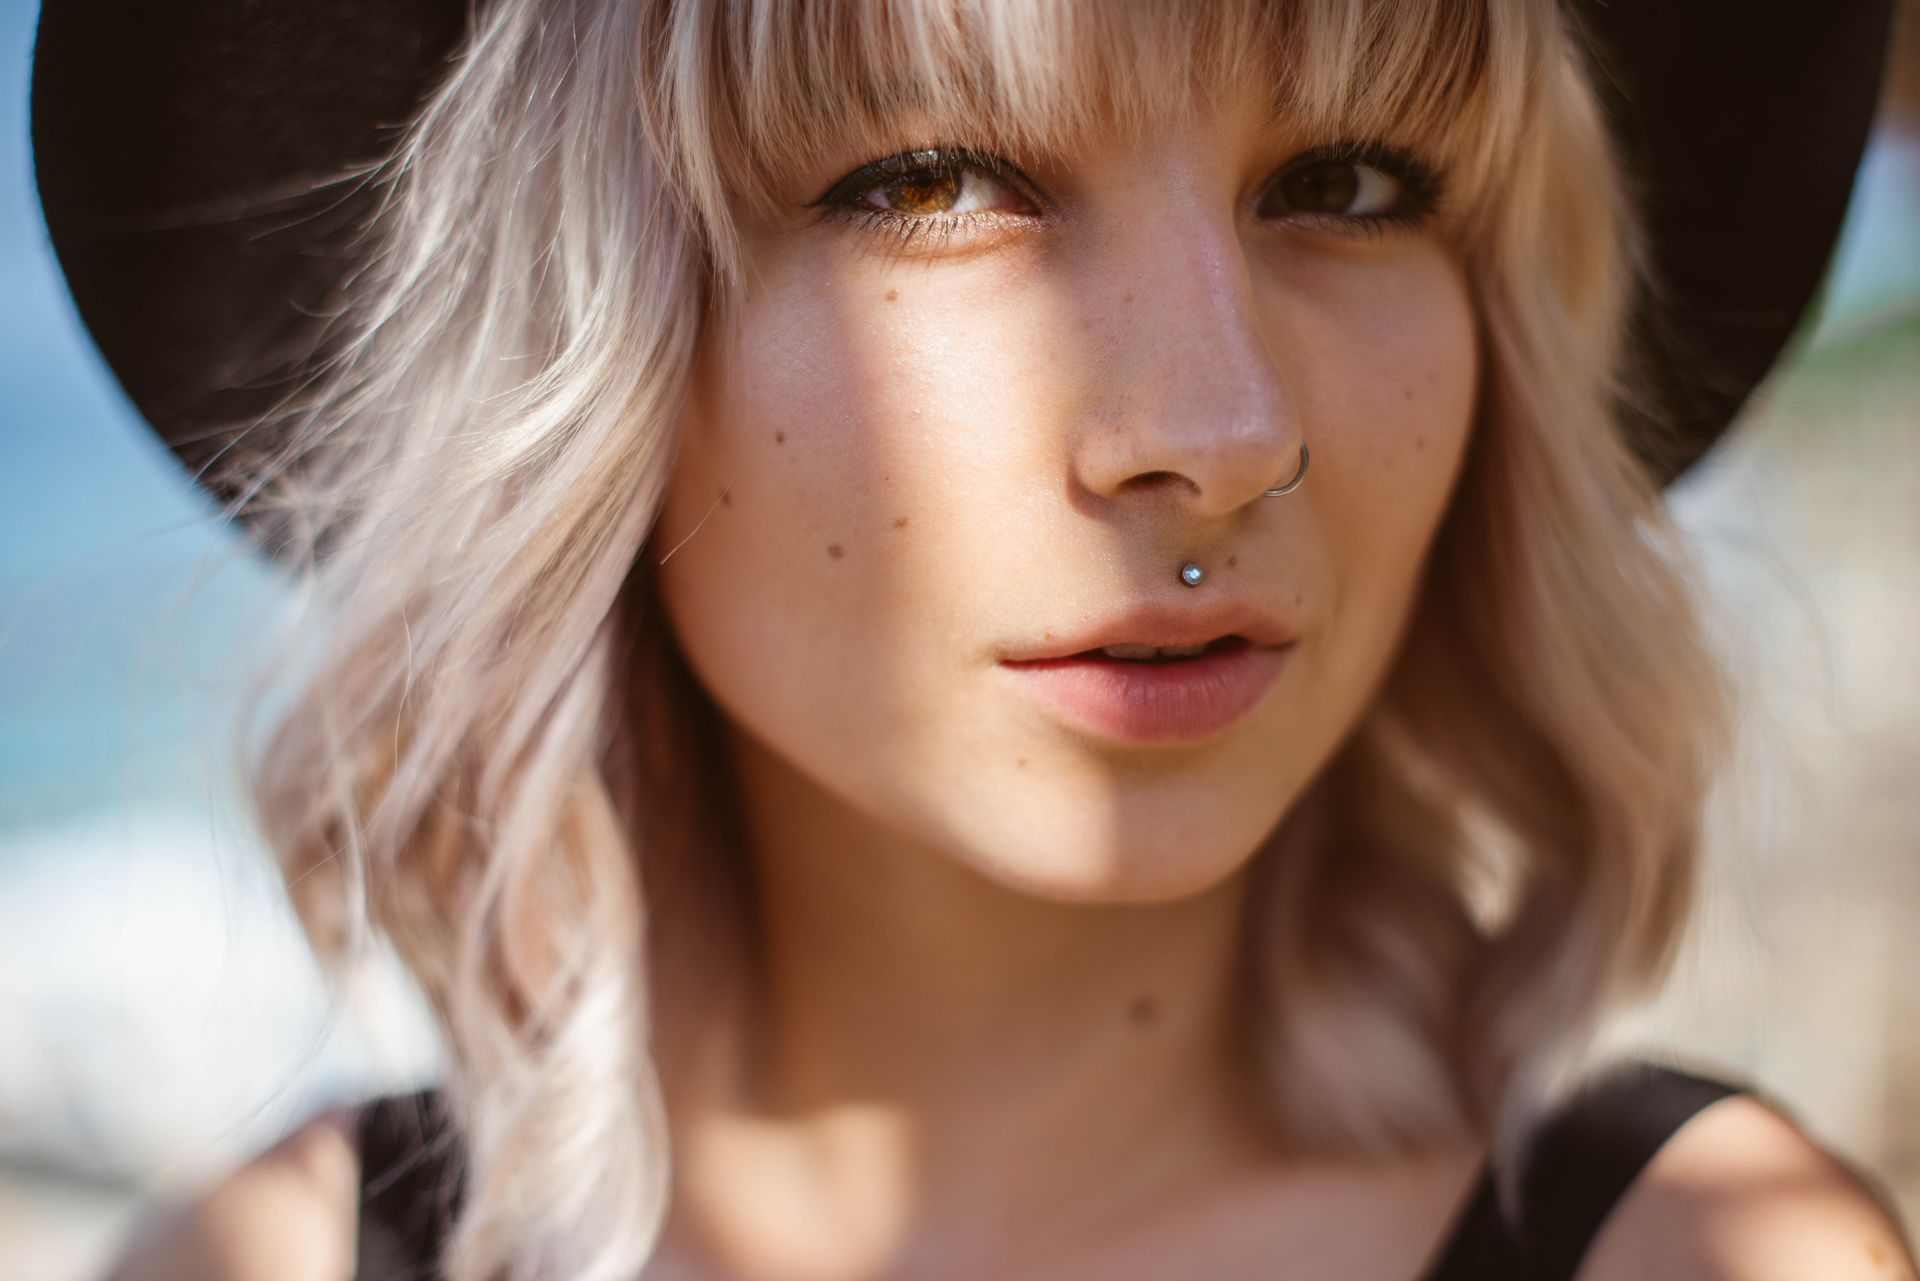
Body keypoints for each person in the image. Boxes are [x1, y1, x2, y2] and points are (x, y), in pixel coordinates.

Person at [30, 0, 1919, 1278]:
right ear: (580, 364)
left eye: (1348, 184)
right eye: (930, 178)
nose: (1224, 420)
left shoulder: (1713, 1252)